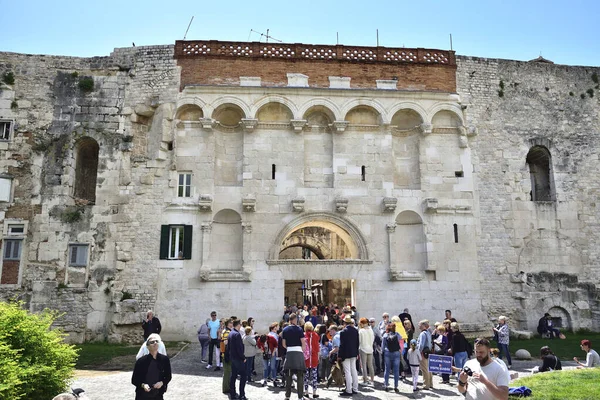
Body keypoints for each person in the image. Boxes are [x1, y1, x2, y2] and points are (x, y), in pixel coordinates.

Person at [132, 334, 172, 400]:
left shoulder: (164, 359)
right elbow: (134, 380)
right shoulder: (141, 361)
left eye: (156, 341)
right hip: (142, 395)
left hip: (158, 394)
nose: (155, 343)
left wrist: (162, 383)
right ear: (147, 347)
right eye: (152, 342)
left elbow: (168, 376)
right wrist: (143, 385)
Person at [282, 313, 307, 400]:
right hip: (298, 353)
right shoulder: (299, 329)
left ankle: (287, 396)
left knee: (288, 376)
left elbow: (283, 344)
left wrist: (290, 348)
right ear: (294, 320)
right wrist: (302, 351)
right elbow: (303, 343)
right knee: (300, 376)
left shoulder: (285, 330)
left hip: (289, 353)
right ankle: (300, 396)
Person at [338, 315, 359, 397]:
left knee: (347, 371)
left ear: (344, 323)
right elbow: (357, 343)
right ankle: (355, 388)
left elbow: (342, 345)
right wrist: (357, 353)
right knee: (353, 370)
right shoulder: (355, 331)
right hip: (353, 353)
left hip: (346, 354)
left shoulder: (343, 332)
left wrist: (339, 355)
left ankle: (349, 389)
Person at [228, 319, 247, 400]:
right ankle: (242, 394)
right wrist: (243, 357)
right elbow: (239, 348)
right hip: (238, 358)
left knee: (233, 375)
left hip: (232, 357)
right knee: (243, 376)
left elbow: (228, 347)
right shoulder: (237, 334)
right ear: (238, 325)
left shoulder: (231, 333)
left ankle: (232, 393)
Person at [258, 322, 280, 387]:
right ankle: (265, 379)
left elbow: (276, 345)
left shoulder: (271, 338)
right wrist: (261, 349)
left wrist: (273, 352)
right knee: (265, 367)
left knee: (273, 367)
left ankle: (274, 379)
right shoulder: (260, 339)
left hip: (271, 353)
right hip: (265, 354)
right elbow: (258, 344)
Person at [382, 322, 402, 393]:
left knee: (387, 369)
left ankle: (386, 385)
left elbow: (383, 346)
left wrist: (382, 352)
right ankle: (395, 386)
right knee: (396, 371)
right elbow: (401, 340)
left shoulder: (385, 335)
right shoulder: (397, 334)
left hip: (387, 352)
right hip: (396, 353)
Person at [304, 321, 320, 398]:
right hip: (314, 357)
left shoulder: (304, 335)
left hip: (306, 358)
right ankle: (314, 392)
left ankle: (306, 392)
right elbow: (317, 348)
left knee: (306, 376)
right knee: (314, 376)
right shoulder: (316, 335)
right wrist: (318, 357)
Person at [358, 317, 375, 385]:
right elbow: (373, 339)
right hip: (370, 349)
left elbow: (360, 341)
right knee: (370, 365)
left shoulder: (361, 331)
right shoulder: (371, 330)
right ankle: (372, 380)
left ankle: (365, 381)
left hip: (363, 348)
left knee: (364, 365)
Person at [417, 320, 433, 390]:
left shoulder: (422, 334)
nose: (419, 325)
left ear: (423, 325)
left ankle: (426, 384)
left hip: (423, 353)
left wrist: (418, 353)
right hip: (428, 352)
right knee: (429, 369)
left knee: (424, 369)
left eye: (420, 324)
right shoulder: (428, 333)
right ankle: (430, 383)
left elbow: (421, 345)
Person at [221, 318, 233, 394]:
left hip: (226, 353)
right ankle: (226, 388)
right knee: (227, 372)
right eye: (230, 323)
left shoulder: (227, 331)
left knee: (228, 372)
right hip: (226, 354)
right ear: (227, 324)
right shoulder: (227, 332)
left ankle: (227, 386)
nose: (232, 324)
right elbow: (225, 343)